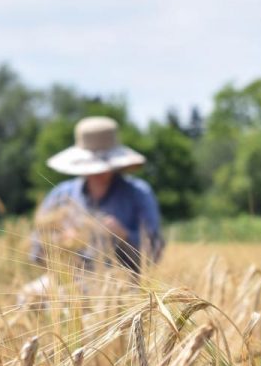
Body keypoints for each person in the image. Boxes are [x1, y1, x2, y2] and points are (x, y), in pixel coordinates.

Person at [30, 116, 164, 275]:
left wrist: (124, 235)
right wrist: (60, 243)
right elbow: (36, 251)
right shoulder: (60, 195)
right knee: (28, 295)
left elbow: (154, 254)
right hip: (67, 282)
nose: (98, 172)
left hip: (122, 284)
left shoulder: (139, 193)